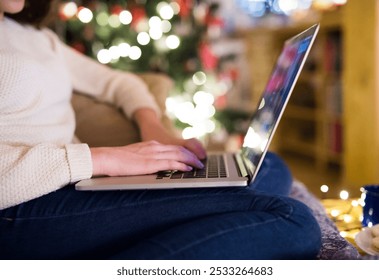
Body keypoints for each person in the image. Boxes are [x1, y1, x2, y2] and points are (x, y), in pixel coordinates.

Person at [0, 0, 322, 260]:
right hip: (22, 207)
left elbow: (119, 83)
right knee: (292, 219)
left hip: (75, 183)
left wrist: (152, 127)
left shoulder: (35, 38)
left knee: (268, 167)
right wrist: (104, 161)